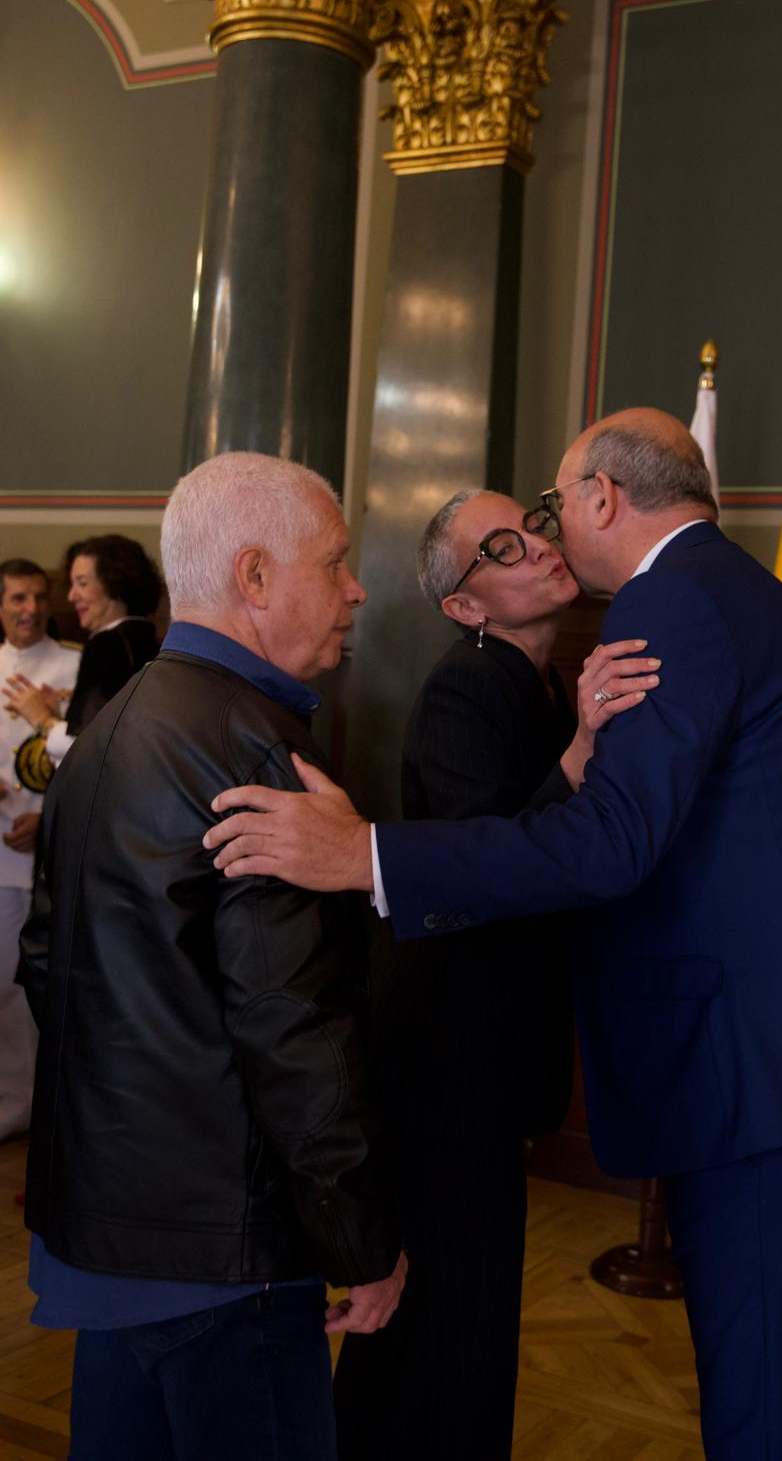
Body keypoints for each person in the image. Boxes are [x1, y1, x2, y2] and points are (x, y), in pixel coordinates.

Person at [205, 408, 782, 1459]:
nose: (548, 534)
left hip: (775, 1086)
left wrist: (365, 854)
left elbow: (611, 843)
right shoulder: (713, 591)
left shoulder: (671, 600)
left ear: (602, 499)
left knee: (776, 1424)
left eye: (552, 507)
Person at [20, 453, 405, 1461]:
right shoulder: (259, 754)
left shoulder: (102, 734)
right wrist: (361, 1238)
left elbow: (47, 966)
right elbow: (295, 1029)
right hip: (224, 1252)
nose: (356, 586)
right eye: (334, 561)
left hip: (106, 1233)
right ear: (254, 576)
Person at [334, 488, 656, 1460]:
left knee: (464, 1323)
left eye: (535, 524)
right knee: (438, 1326)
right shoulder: (465, 688)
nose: (539, 547)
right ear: (465, 606)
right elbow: (484, 863)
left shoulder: (543, 680)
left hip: (488, 1050)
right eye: (501, 546)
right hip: (444, 1058)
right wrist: (580, 752)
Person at [0, 560, 80, 1139]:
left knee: (20, 992)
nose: (29, 608)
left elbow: (84, 765)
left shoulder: (75, 665)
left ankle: (19, 1110)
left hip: (42, 857)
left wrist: (44, 815)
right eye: (17, 597)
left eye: (38, 597)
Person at [3, 533, 162, 769]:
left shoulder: (107, 645)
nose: (71, 596)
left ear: (113, 584)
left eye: (82, 583)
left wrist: (43, 719)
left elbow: (89, 751)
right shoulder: (146, 636)